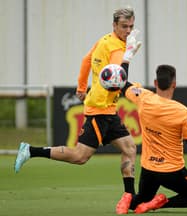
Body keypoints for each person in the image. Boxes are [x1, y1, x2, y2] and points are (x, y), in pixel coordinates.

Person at [14, 7, 141, 214]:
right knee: (80, 157)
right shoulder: (118, 49)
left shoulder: (104, 40)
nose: (128, 31)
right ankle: (30, 150)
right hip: (100, 109)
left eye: (131, 27)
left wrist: (81, 88)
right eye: (124, 26)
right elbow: (119, 81)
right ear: (114, 25)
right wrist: (128, 60)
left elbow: (86, 60)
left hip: (107, 109)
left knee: (129, 148)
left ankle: (130, 197)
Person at [116, 59, 187, 213]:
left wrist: (127, 58)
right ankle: (161, 203)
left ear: (155, 82)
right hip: (172, 172)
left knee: (140, 201)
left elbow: (122, 82)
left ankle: (128, 198)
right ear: (174, 84)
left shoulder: (143, 97)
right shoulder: (182, 112)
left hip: (148, 169)